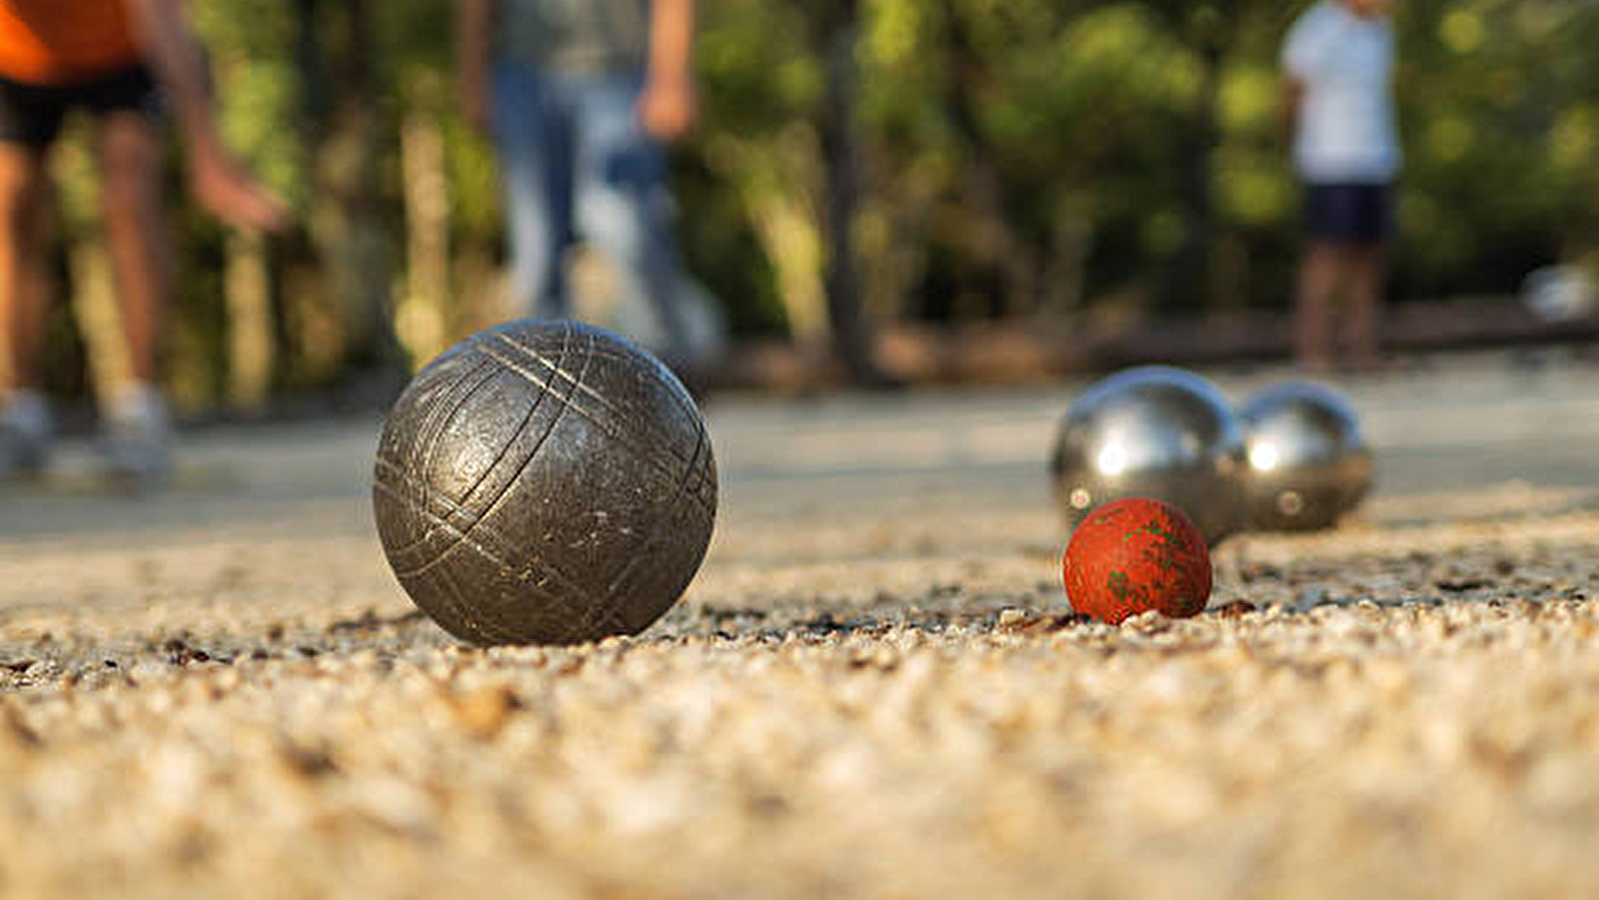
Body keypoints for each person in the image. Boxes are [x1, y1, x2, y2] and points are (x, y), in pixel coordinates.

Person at [0, 0, 286, 482]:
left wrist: (206, 150)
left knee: (129, 190)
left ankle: (140, 407)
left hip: (123, 49)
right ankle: (19, 412)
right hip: (14, 56)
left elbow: (164, 20)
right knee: (12, 201)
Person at [456, 0, 711, 371]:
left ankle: (671, 369)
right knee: (536, 249)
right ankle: (543, 385)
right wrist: (472, 74)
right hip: (523, 75)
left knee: (623, 224)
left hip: (619, 74)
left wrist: (672, 76)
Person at [1281, 0, 1401, 372]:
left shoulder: (1381, 31)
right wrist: (1293, 147)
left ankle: (1363, 350)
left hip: (1375, 159)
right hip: (1330, 160)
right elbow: (1291, 90)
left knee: (1370, 256)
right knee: (1327, 258)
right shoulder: (1318, 28)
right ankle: (1314, 354)